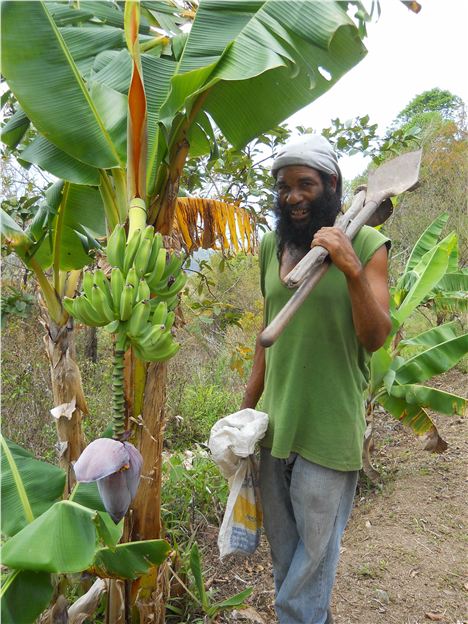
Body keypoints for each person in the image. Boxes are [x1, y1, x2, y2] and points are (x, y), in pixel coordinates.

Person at [240, 134, 392, 624]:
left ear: (331, 185)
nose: (293, 196)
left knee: (312, 565)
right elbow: (268, 335)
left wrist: (349, 268)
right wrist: (245, 412)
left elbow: (374, 337)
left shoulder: (368, 243)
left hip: (329, 427)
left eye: (305, 184)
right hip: (275, 425)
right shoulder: (272, 246)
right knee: (286, 560)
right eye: (284, 186)